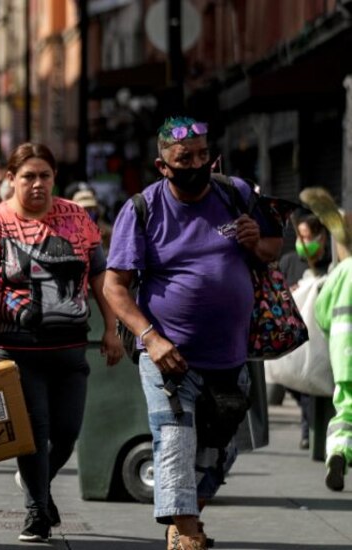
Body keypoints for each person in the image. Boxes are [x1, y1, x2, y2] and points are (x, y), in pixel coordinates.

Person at [104, 117, 282, 550]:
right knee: (175, 442)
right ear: (163, 165)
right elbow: (115, 286)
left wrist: (256, 242)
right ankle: (187, 537)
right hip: (169, 356)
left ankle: (184, 515)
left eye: (204, 155)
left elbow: (274, 248)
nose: (198, 164)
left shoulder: (235, 192)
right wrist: (151, 337)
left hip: (230, 357)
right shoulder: (142, 210)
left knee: (222, 452)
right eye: (186, 159)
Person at [0, 143, 122, 543]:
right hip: (18, 349)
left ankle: (36, 484)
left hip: (71, 346)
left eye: (45, 176)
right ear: (11, 179)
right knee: (34, 431)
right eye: (28, 176)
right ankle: (37, 512)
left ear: (55, 178)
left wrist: (111, 328)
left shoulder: (77, 218)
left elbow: (102, 276)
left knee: (68, 431)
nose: (37, 184)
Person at [277, 212, 331, 449]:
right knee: (292, 381)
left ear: (321, 239)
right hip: (292, 336)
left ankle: (309, 431)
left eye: (308, 237)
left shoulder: (331, 264)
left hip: (320, 337)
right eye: (302, 236)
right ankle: (309, 426)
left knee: (312, 383)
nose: (303, 242)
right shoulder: (289, 262)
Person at [315, 257, 352, 492]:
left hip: (344, 354)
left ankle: (338, 451)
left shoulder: (344, 268)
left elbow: (321, 310)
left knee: (347, 407)